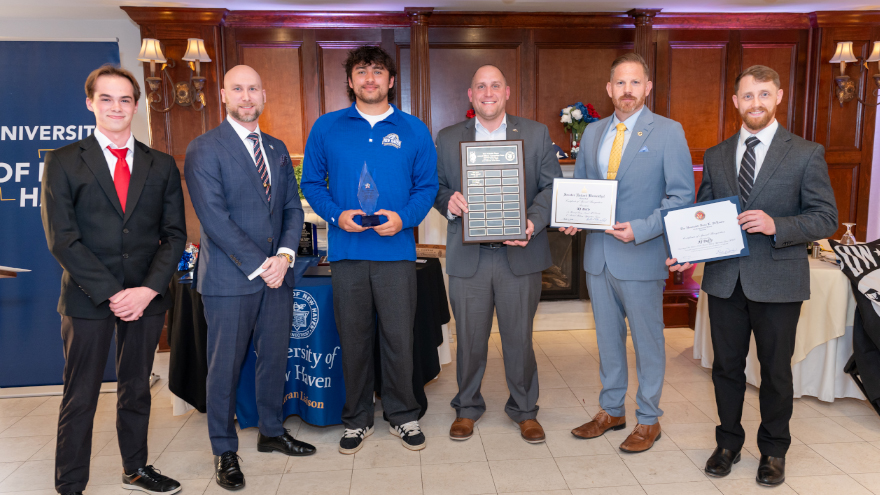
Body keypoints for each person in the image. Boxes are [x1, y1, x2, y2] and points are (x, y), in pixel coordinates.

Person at [667, 65, 837, 486]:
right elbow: (703, 215)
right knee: (726, 369)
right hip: (725, 281)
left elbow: (825, 218)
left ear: (778, 97)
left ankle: (774, 450)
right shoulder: (716, 154)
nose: (755, 102)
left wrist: (778, 224)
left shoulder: (806, 153)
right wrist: (687, 252)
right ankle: (727, 444)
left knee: (776, 372)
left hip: (779, 282)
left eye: (763, 94)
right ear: (735, 101)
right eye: (747, 95)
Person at [41, 64, 186, 495]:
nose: (116, 107)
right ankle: (70, 484)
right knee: (81, 395)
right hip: (87, 298)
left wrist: (147, 290)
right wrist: (112, 293)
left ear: (136, 106)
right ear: (90, 103)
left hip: (145, 298)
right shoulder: (64, 161)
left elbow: (174, 235)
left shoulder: (161, 164)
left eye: (125, 99)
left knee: (136, 389)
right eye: (106, 98)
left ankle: (135, 469)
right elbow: (62, 239)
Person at [301, 46, 438, 454]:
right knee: (354, 339)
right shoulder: (326, 127)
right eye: (361, 71)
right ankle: (357, 420)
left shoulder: (414, 129)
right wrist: (335, 214)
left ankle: (403, 415)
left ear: (391, 81)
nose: (370, 79)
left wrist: (405, 219)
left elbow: (427, 187)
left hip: (396, 254)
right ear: (350, 81)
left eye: (378, 71)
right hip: (347, 253)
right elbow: (312, 184)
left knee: (399, 338)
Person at [184, 65, 316, 491]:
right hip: (229, 280)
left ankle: (271, 431)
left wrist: (285, 255)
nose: (246, 96)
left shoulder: (276, 147)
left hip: (278, 275)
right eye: (238, 89)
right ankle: (224, 450)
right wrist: (264, 264)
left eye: (253, 89)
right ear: (223, 95)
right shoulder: (204, 148)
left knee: (274, 359)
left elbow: (292, 208)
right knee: (224, 369)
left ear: (263, 96)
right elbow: (214, 219)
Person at [565, 53, 694, 453]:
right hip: (598, 257)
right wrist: (573, 217)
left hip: (642, 254)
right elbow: (583, 188)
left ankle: (648, 419)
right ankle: (611, 411)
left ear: (648, 87)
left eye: (635, 82)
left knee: (648, 342)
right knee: (607, 340)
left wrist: (643, 228)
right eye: (620, 83)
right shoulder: (592, 133)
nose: (627, 90)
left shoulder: (669, 131)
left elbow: (681, 196)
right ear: (609, 89)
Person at [434, 64, 561, 444]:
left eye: (495, 86)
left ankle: (525, 410)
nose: (487, 93)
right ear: (470, 95)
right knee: (470, 340)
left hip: (519, 255)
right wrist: (448, 201)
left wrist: (532, 223)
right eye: (480, 87)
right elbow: (434, 187)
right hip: (469, 257)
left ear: (506, 92)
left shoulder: (536, 134)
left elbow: (551, 188)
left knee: (519, 339)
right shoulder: (448, 138)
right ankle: (467, 407)